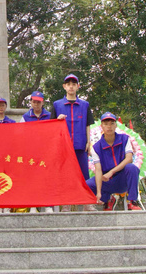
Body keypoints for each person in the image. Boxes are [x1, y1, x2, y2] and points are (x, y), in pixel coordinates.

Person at [52, 73, 95, 212]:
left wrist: (89, 142)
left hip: (80, 145)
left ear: (78, 86)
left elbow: (88, 124)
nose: (71, 87)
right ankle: (66, 204)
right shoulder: (57, 105)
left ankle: (87, 203)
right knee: (65, 175)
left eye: (74, 84)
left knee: (84, 175)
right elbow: (51, 126)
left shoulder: (85, 105)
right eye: (68, 84)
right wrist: (57, 119)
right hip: (63, 146)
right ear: (64, 87)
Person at [86, 112, 141, 210]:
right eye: (106, 124)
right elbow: (98, 170)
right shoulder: (96, 147)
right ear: (101, 126)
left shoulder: (125, 139)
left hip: (122, 178)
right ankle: (108, 200)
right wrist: (98, 192)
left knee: (132, 168)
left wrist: (111, 172)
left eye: (112, 123)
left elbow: (129, 159)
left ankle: (133, 201)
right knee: (87, 185)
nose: (109, 127)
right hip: (107, 180)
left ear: (116, 125)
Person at [20, 91, 53, 213]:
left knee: (47, 178)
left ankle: (48, 205)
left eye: (38, 102)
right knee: (32, 179)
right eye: (34, 101)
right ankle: (33, 205)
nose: (36, 104)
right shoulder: (25, 117)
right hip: (31, 153)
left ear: (42, 102)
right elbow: (20, 135)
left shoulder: (50, 116)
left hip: (46, 152)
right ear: (30, 102)